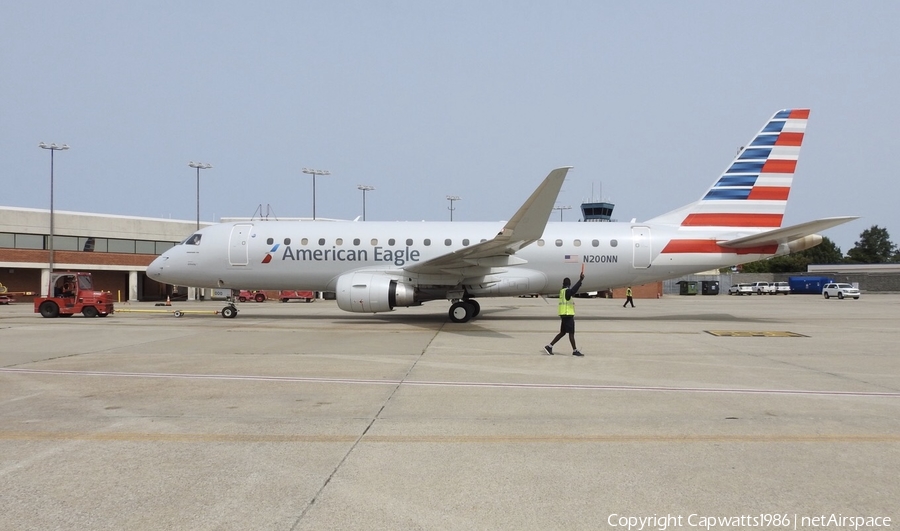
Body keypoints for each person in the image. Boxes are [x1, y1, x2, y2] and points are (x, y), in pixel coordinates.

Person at [544, 272, 585, 356]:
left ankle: (549, 346)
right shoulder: (567, 292)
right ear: (569, 284)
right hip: (567, 314)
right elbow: (574, 290)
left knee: (562, 332)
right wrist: (580, 280)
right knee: (571, 333)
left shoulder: (562, 291)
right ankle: (575, 350)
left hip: (563, 314)